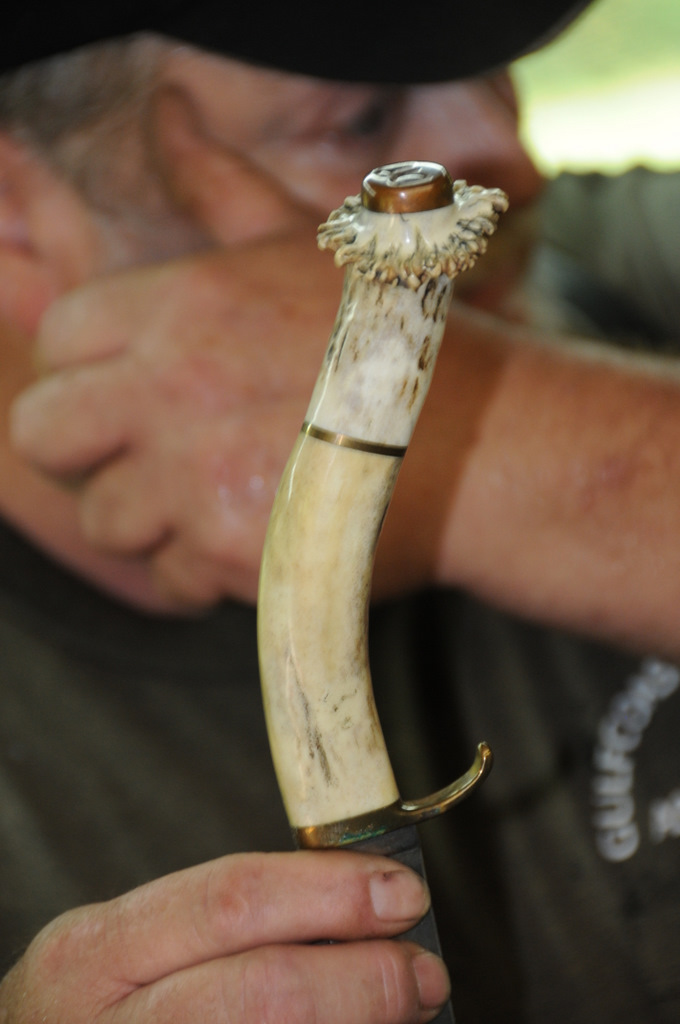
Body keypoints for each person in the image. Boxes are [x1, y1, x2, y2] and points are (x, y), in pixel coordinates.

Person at [1, 4, 679, 1021]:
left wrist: (516, 442)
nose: (505, 149)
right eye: (359, 121)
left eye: (491, 68)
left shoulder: (618, 264)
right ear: (15, 213)